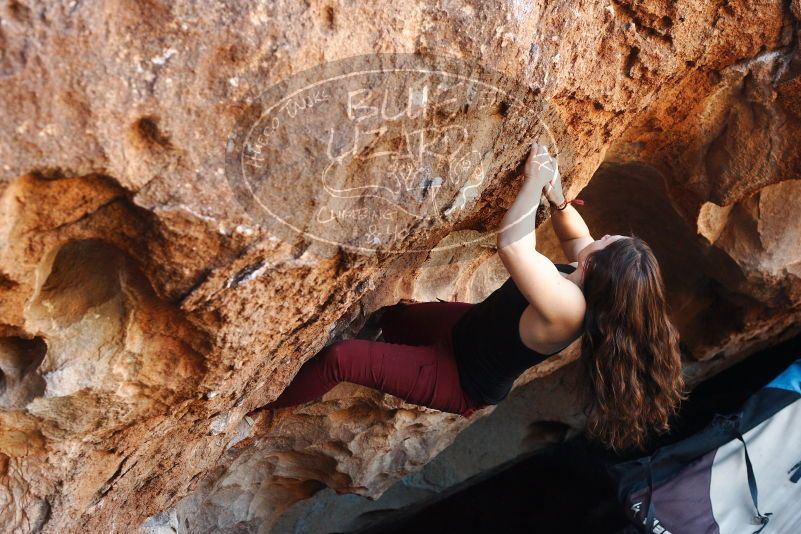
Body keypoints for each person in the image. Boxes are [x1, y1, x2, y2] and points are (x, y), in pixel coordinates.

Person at [250, 143, 687, 452]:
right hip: (463, 329)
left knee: (341, 358)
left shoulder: (569, 308)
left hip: (457, 377)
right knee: (392, 318)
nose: (604, 234)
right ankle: (384, 353)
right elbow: (578, 234)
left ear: (599, 267)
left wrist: (533, 182)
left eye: (609, 241)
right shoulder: (588, 277)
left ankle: (254, 410)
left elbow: (515, 247)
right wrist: (556, 197)